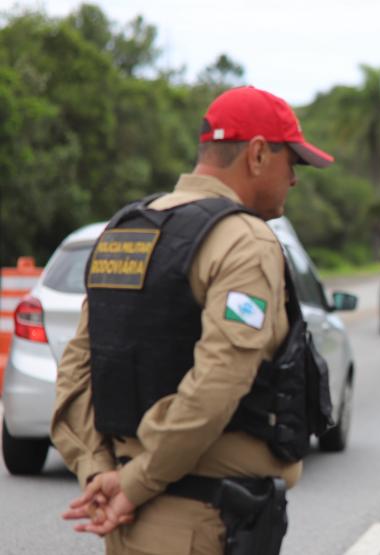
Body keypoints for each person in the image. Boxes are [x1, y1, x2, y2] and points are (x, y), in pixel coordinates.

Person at [50, 85, 334, 554]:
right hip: (199, 522)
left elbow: (78, 367)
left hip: (132, 514)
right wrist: (135, 483)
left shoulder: (126, 230)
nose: (296, 180)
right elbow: (218, 380)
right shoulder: (245, 240)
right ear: (259, 155)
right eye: (293, 162)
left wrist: (98, 470)